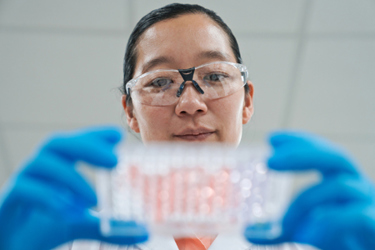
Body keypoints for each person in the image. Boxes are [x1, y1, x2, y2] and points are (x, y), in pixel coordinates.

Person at [1, 3, 374, 250]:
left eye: (213, 76)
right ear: (131, 112)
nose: (191, 103)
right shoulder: (73, 242)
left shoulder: (303, 243)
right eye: (160, 83)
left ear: (246, 101)